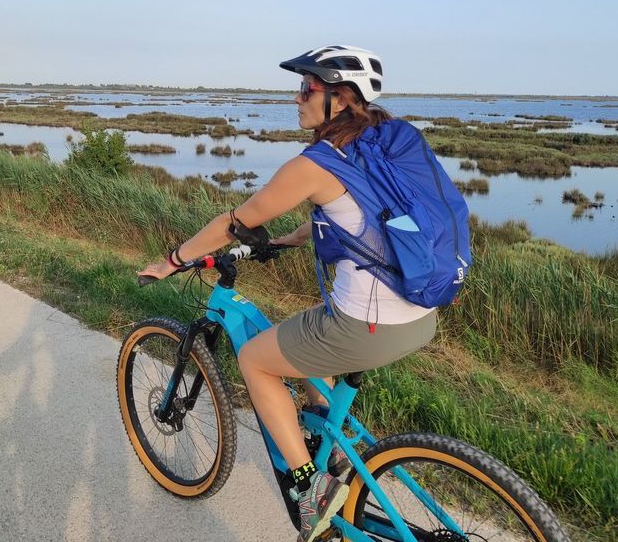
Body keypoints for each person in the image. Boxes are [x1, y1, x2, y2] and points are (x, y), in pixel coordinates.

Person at [138, 45, 438, 542]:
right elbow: (358, 214)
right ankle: (331, 441)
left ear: (339, 99)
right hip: (420, 314)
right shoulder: (382, 140)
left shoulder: (315, 162)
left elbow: (236, 223)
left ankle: (311, 487)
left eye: (308, 89)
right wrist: (286, 240)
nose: (296, 98)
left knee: (257, 359)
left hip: (368, 323)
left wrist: (173, 260)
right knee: (301, 339)